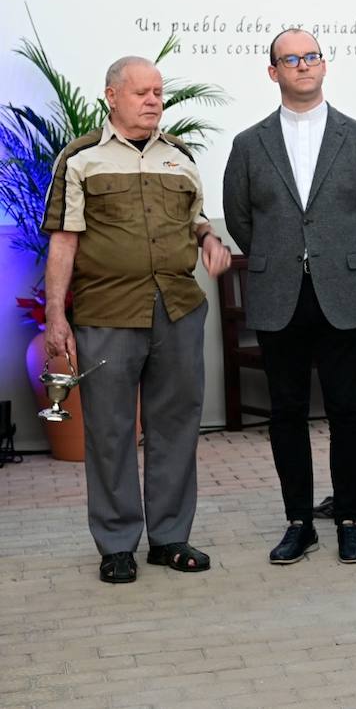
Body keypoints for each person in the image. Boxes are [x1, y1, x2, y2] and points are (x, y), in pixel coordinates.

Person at [41, 55, 232, 583]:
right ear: (111, 96)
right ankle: (117, 543)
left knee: (175, 426)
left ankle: (169, 538)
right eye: (142, 92)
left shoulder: (181, 155)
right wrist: (57, 315)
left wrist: (211, 241)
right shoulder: (81, 159)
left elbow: (195, 222)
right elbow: (63, 240)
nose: (154, 101)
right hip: (108, 312)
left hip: (177, 308)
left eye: (158, 93)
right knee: (109, 431)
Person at [222, 28, 356, 566]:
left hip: (342, 293)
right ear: (272, 72)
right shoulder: (249, 144)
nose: (303, 65)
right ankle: (299, 521)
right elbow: (240, 220)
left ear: (325, 66)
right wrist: (284, 257)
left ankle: (350, 520)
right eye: (290, 59)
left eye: (311, 56)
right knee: (287, 413)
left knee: (347, 412)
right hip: (280, 294)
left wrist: (338, 259)